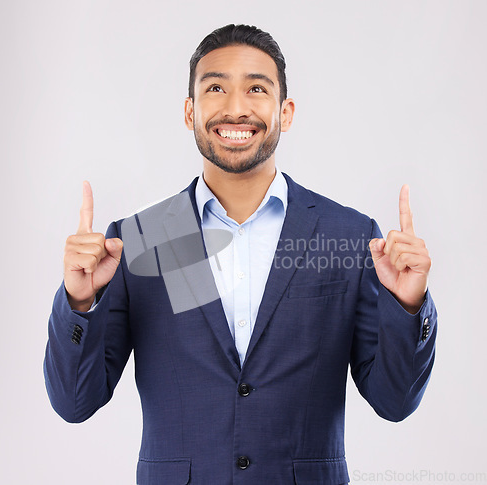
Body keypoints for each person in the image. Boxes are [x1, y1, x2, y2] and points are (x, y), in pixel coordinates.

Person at [43, 24, 437, 485]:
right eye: (215, 87)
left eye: (256, 88)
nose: (235, 107)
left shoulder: (350, 236)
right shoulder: (141, 240)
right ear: (189, 112)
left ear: (285, 112)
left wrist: (408, 306)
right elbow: (74, 404)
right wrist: (78, 303)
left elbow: (395, 403)